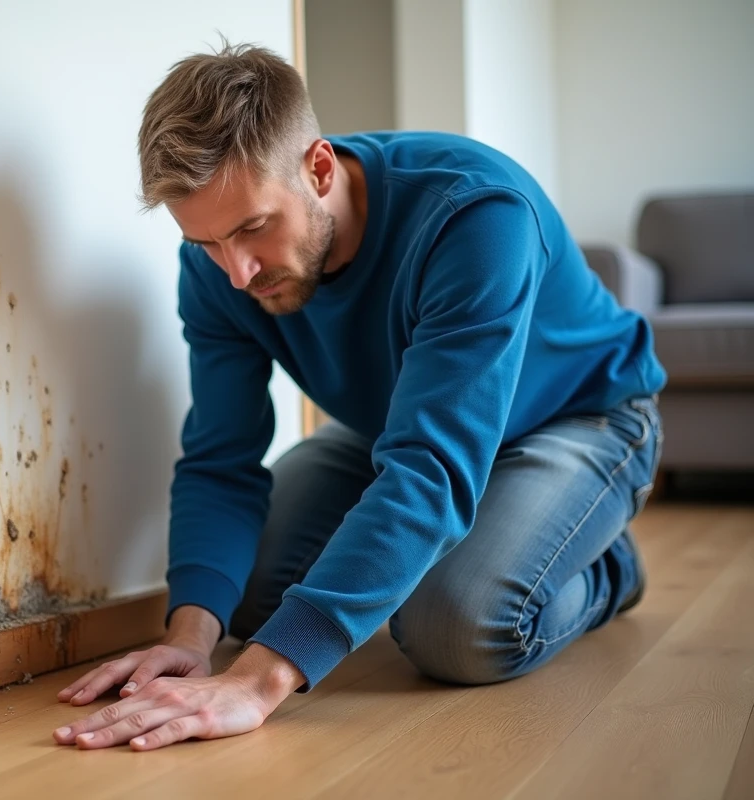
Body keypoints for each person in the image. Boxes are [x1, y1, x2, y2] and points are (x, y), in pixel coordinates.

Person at [52, 42, 665, 752]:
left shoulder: (476, 217)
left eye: (254, 228)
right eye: (208, 243)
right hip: (400, 423)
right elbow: (221, 458)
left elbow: (430, 469)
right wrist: (193, 637)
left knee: (451, 628)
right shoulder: (219, 269)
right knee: (248, 594)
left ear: (317, 167)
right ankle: (476, 548)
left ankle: (608, 567)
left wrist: (258, 683)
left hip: (579, 418)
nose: (239, 272)